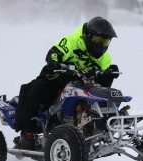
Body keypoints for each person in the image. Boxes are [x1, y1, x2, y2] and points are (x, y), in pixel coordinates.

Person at [14, 16, 120, 150]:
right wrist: (54, 60)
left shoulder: (105, 58)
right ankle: (27, 131)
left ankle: (102, 124)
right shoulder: (71, 41)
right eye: (97, 40)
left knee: (106, 91)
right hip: (57, 78)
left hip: (83, 84)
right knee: (34, 90)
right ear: (88, 35)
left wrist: (109, 72)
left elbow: (102, 81)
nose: (100, 45)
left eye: (105, 42)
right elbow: (53, 53)